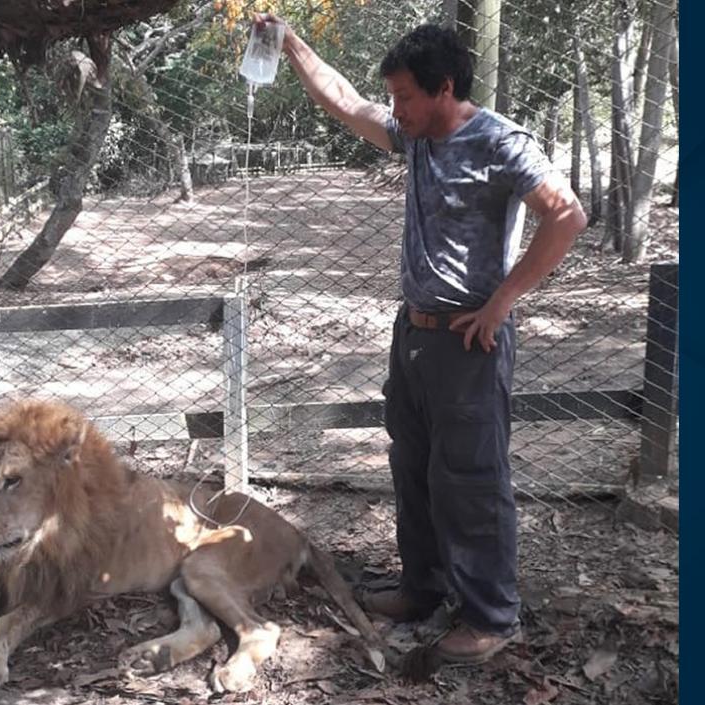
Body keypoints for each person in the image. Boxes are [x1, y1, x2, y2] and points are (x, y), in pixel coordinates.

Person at [264, 18, 588, 664]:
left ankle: (492, 616)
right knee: (413, 469)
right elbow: (343, 100)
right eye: (393, 97)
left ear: (445, 88)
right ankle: (423, 587)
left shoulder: (499, 141)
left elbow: (567, 214)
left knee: (471, 479)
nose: (395, 109)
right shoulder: (412, 138)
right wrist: (292, 42)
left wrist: (502, 301)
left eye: (406, 96)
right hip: (413, 333)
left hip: (470, 341)